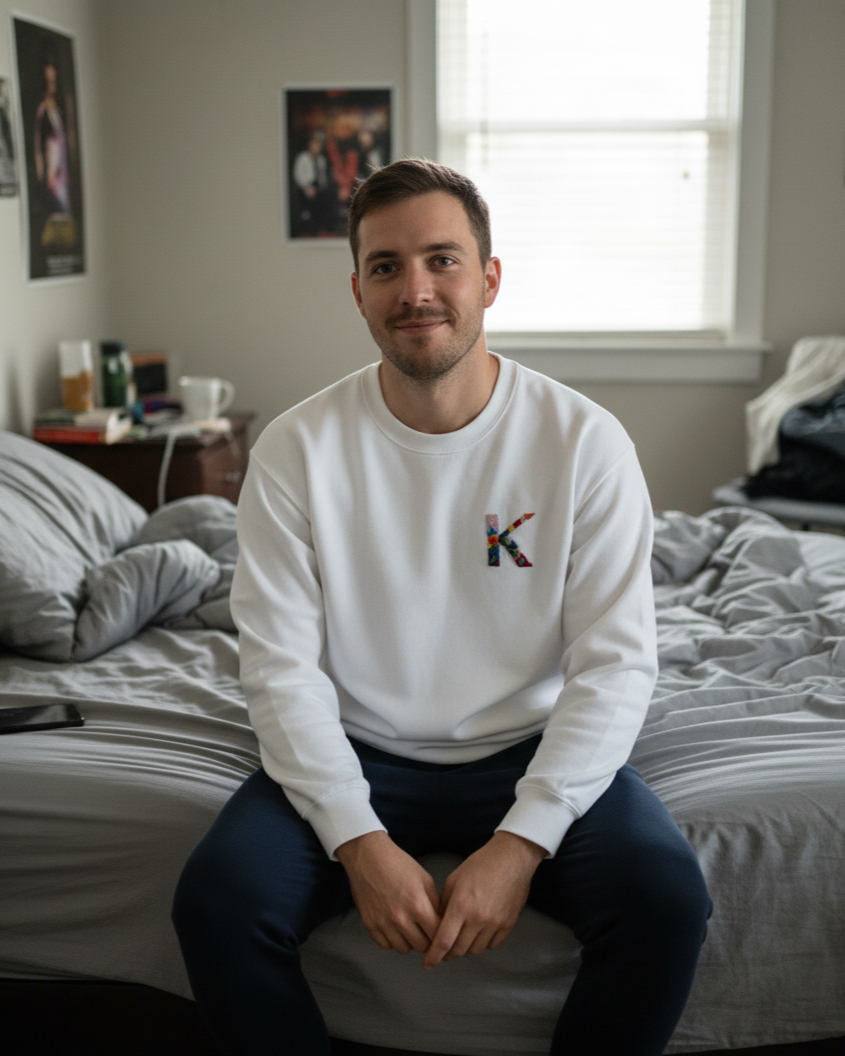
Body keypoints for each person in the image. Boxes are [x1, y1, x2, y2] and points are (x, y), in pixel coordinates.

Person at [173, 158, 711, 1056]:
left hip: (526, 743)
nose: (415, 290)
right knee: (217, 903)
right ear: (357, 291)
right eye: (386, 266)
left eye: (442, 260)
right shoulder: (297, 449)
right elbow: (278, 668)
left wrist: (521, 844)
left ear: (489, 278)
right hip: (355, 743)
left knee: (665, 899)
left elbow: (615, 665)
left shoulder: (583, 442)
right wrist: (356, 839)